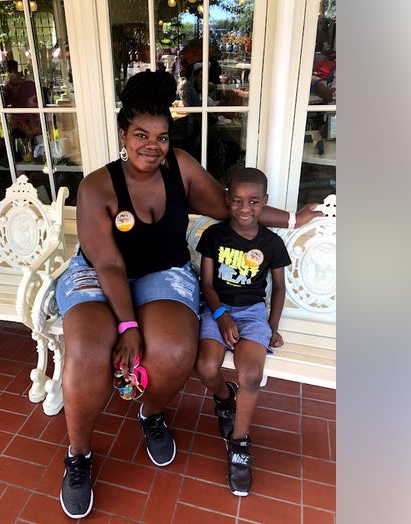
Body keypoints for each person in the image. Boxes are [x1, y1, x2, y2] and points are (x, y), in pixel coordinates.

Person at [52, 69, 322, 519]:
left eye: (161, 136)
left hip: (163, 271)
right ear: (123, 134)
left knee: (177, 350)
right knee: (85, 351)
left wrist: (293, 219)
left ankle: (150, 414)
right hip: (100, 274)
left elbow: (230, 206)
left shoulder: (179, 166)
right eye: (141, 134)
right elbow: (110, 264)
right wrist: (128, 325)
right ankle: (78, 454)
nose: (152, 146)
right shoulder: (97, 187)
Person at [194, 167, 292, 497]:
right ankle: (225, 398)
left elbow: (278, 288)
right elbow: (206, 283)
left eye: (253, 201)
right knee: (206, 368)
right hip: (216, 308)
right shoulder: (214, 236)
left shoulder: (271, 242)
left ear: (264, 202)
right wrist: (221, 315)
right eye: (236, 200)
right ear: (227, 199)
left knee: (250, 372)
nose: (244, 208)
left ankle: (239, 444)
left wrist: (272, 326)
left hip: (251, 315)